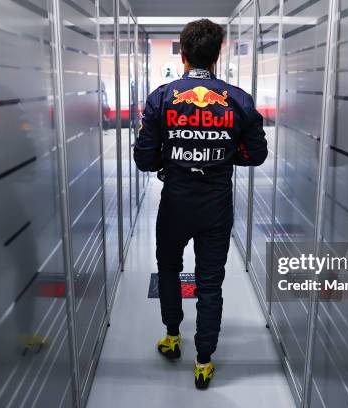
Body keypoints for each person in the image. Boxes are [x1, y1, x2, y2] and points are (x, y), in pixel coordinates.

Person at [133, 19, 267, 389]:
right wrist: (223, 156)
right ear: (219, 53)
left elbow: (144, 159)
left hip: (175, 201)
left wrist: (172, 158)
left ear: (184, 52)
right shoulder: (238, 100)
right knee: (211, 282)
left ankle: (172, 337)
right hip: (216, 204)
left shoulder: (162, 97)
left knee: (169, 269)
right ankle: (204, 360)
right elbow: (256, 155)